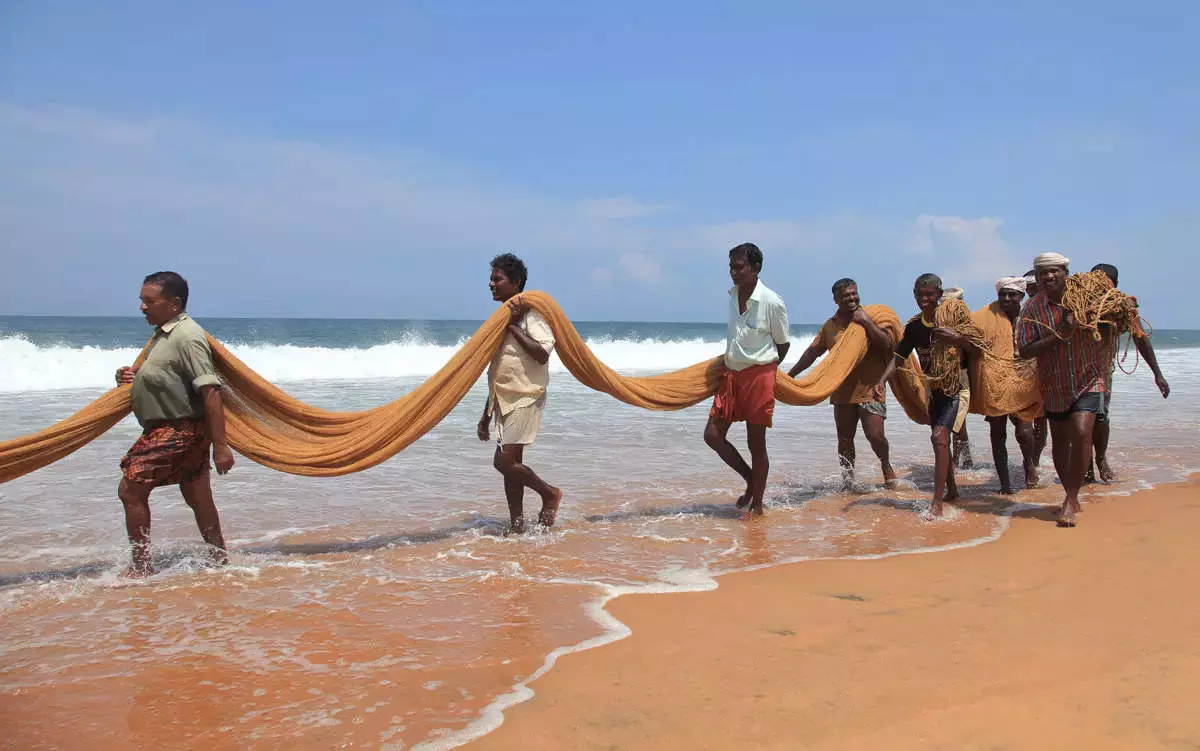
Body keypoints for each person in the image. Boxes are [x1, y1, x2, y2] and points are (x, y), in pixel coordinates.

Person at [114, 271, 234, 576]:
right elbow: (166, 378)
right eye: (141, 300)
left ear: (174, 303)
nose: (142, 306)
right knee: (197, 495)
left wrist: (221, 446)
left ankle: (141, 568)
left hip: (178, 430)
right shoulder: (163, 334)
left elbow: (210, 390)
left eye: (149, 301)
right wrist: (131, 377)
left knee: (130, 490)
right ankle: (220, 560)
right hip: (177, 429)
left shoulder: (187, 336)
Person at [1017, 253, 1108, 527]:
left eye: (1054, 271)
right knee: (1060, 442)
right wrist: (1060, 333)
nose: (1049, 277)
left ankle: (1070, 498)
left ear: (1065, 272)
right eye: (1043, 272)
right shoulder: (1032, 309)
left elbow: (1113, 323)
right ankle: (1072, 490)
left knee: (1081, 432)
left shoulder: (1087, 299)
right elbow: (1024, 349)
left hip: (1088, 378)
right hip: (1054, 382)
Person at [875, 274, 976, 517]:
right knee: (942, 442)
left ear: (939, 295)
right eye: (920, 294)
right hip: (934, 390)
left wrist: (958, 338)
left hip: (957, 386)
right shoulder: (914, 327)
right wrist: (881, 380)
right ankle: (951, 489)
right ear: (914, 295)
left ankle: (937, 502)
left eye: (930, 294)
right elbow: (899, 357)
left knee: (939, 438)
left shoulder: (953, 320)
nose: (925, 299)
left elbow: (976, 348)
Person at [477, 253, 562, 533]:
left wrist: (513, 325)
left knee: (503, 461)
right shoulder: (500, 318)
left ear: (515, 283)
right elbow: (498, 368)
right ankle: (517, 526)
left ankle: (549, 493)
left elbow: (541, 353)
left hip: (526, 395)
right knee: (511, 466)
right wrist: (485, 414)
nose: (491, 284)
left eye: (497, 279)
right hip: (503, 399)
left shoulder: (531, 315)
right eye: (491, 278)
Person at [704, 243, 790, 518]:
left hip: (759, 376)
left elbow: (782, 345)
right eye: (730, 267)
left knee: (757, 443)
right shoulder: (732, 294)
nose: (733, 272)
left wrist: (763, 370)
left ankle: (758, 504)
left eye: (738, 267)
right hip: (731, 375)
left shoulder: (772, 301)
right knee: (713, 436)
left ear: (756, 268)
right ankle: (751, 479)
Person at [788, 278, 897, 489]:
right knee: (845, 440)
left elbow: (887, 345)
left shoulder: (871, 317)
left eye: (854, 294)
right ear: (836, 300)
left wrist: (866, 322)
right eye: (846, 296)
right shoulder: (831, 326)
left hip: (870, 388)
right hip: (842, 391)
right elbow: (812, 353)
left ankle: (885, 464)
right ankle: (848, 481)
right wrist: (790, 375)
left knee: (875, 436)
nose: (852, 299)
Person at [1085, 263, 1170, 482]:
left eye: (1106, 280)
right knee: (1081, 420)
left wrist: (1157, 374)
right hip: (1073, 370)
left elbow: (1140, 338)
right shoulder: (1078, 303)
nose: (1101, 284)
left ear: (1115, 284)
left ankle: (1101, 458)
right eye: (1096, 279)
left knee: (1100, 418)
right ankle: (1086, 468)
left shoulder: (1122, 308)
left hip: (1102, 371)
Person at [980, 276, 1040, 494]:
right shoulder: (988, 318)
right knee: (997, 433)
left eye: (1011, 294)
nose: (1006, 298)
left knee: (1024, 432)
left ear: (1021, 296)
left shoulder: (1030, 318)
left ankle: (1030, 465)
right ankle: (1005, 483)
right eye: (1002, 294)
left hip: (1024, 381)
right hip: (995, 383)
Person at [940, 286, 974, 470]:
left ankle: (955, 461)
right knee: (957, 421)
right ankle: (966, 458)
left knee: (957, 421)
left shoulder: (968, 325)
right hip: (943, 377)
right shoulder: (936, 324)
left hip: (962, 376)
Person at [1020, 268, 1049, 467]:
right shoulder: (1023, 308)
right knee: (1025, 424)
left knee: (1041, 421)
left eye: (1033, 286)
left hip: (1047, 371)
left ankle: (1034, 461)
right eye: (1027, 287)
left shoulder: (1050, 308)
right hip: (1024, 371)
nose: (1030, 289)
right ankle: (1030, 463)